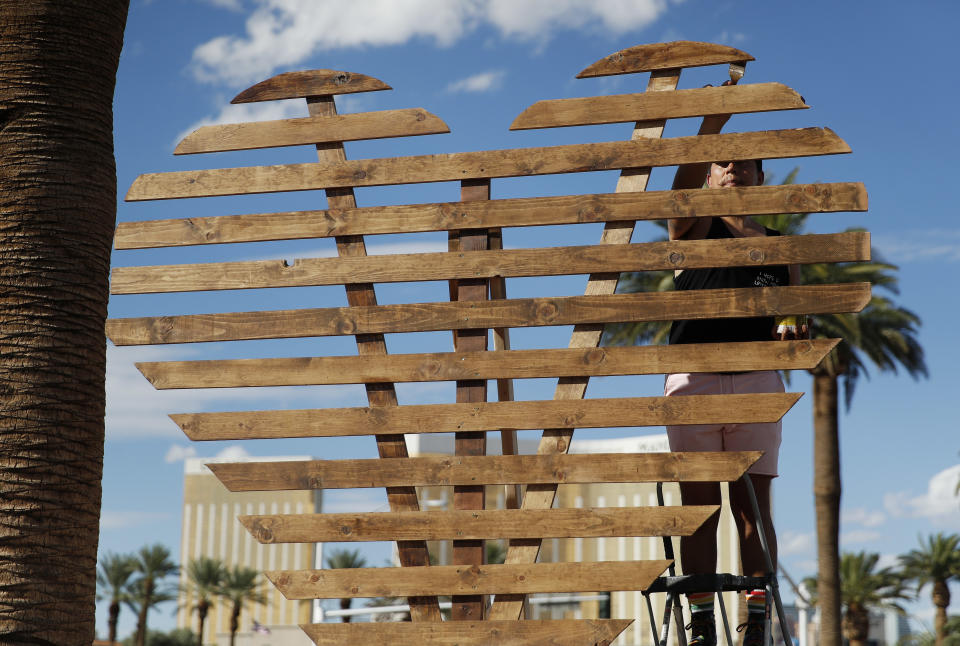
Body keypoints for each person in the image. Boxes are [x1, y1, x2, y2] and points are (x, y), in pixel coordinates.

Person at [665, 107, 807, 646]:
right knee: (698, 509)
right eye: (723, 164)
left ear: (760, 177)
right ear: (708, 174)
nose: (733, 171)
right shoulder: (693, 229)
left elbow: (792, 318)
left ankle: (755, 620)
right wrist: (710, 126)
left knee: (752, 506)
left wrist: (792, 330)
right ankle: (702, 620)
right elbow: (677, 196)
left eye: (745, 165)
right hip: (692, 381)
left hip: (755, 381)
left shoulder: (778, 245)